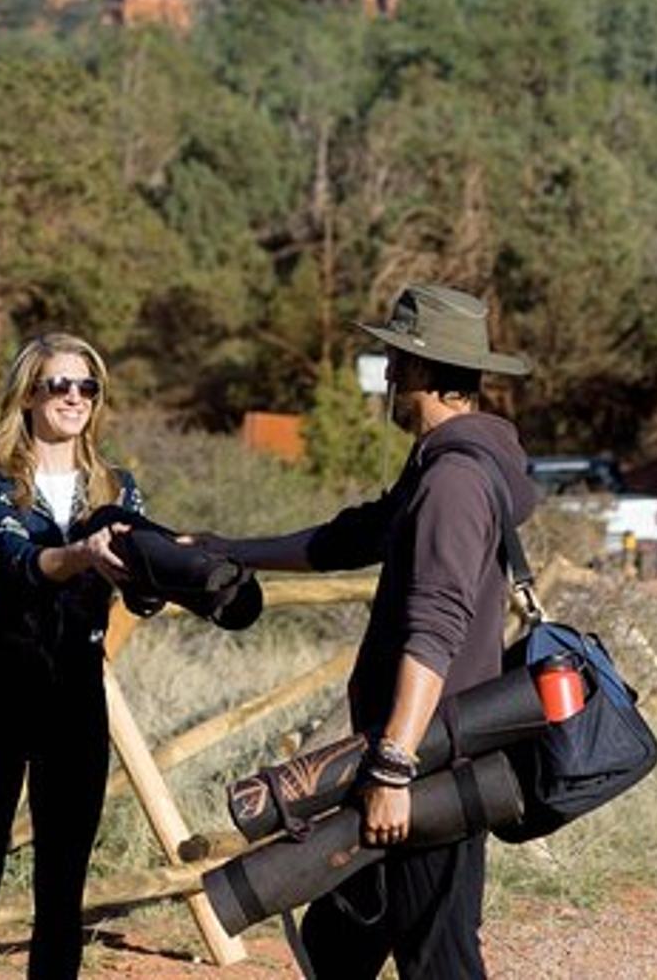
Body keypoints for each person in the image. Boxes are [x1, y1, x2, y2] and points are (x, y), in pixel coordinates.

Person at [220, 284, 537, 980]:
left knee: (441, 958)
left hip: (428, 764)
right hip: (407, 755)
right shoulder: (445, 465)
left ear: (422, 372)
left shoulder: (453, 480)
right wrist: (229, 549)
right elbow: (352, 536)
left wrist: (393, 768)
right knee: (340, 940)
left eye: (396, 360)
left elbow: (435, 629)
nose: (388, 375)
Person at [0, 333, 136, 980]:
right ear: (28, 393)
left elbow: (139, 585)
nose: (75, 397)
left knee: (63, 883)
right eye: (60, 384)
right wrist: (84, 554)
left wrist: (182, 571)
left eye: (88, 386)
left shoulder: (118, 488)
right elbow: (23, 565)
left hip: (75, 699)